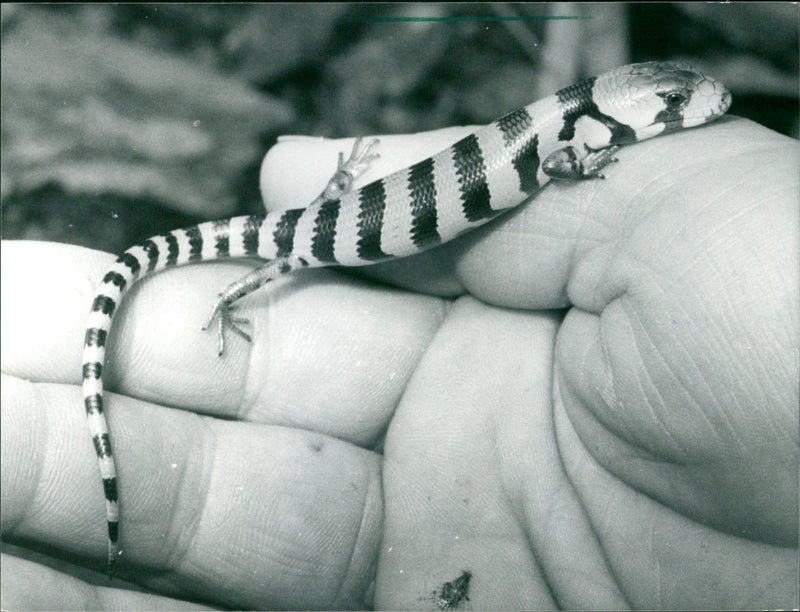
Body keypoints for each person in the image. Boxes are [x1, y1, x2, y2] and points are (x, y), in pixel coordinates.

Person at [1, 115, 797, 610]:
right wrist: (233, 291)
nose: (693, 114)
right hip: (307, 237)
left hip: (322, 229)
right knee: (250, 262)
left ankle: (117, 452)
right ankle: (115, 444)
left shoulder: (559, 131)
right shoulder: (563, 140)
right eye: (674, 109)